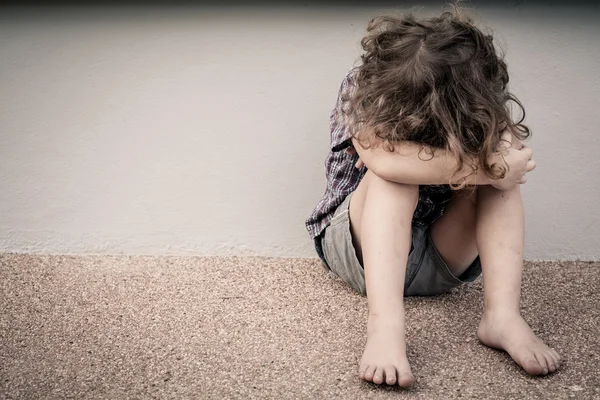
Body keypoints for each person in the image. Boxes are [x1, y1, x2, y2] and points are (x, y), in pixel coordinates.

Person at [305, 9, 561, 387]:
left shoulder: (477, 96)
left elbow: (512, 159)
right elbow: (382, 160)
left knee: (501, 184)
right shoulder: (364, 85)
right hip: (358, 250)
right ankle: (385, 327)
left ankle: (502, 317)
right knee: (394, 178)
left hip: (440, 256)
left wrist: (499, 169)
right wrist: (489, 167)